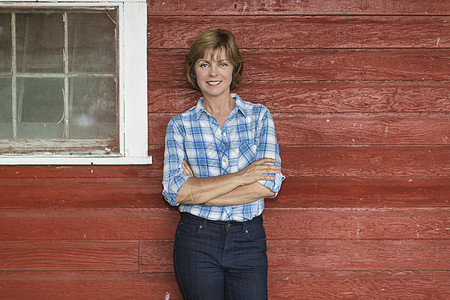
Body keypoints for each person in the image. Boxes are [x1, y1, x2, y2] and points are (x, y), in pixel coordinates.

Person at [162, 29, 284, 300]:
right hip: (197, 239)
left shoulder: (259, 117)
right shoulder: (180, 125)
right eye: (204, 64)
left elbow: (268, 184)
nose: (213, 73)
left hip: (248, 238)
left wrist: (197, 193)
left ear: (233, 69)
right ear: (194, 70)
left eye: (222, 63)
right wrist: (243, 176)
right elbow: (174, 192)